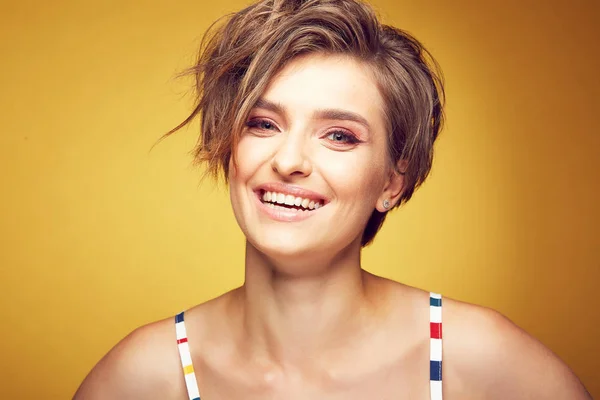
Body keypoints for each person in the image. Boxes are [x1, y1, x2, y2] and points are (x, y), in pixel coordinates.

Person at [74, 0, 591, 399]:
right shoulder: (143, 376)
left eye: (340, 135)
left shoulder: (479, 359)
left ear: (392, 182)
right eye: (263, 123)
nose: (289, 159)